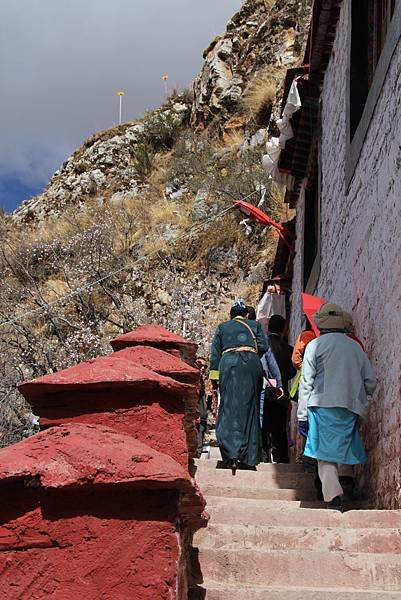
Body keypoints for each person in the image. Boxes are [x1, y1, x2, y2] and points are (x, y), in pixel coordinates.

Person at [298, 303, 377, 511]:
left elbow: (306, 382)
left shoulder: (315, 346)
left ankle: (333, 496)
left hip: (322, 403)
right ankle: (347, 483)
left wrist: (302, 414)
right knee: (343, 445)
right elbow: (370, 381)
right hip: (350, 406)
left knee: (324, 453)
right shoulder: (355, 347)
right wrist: (360, 398)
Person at [209, 300, 269, 473]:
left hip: (228, 365)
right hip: (251, 365)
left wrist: (214, 379)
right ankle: (247, 455)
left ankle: (231, 454)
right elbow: (263, 346)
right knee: (249, 408)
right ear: (246, 314)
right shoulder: (254, 325)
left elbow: (215, 355)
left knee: (228, 407)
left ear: (231, 314)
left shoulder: (222, 327)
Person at [262, 315, 296, 463]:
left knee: (263, 423)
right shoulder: (289, 349)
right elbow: (292, 371)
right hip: (281, 393)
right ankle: (281, 457)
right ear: (284, 329)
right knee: (280, 426)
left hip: (264, 389)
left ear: (268, 328)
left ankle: (263, 455)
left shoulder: (263, 345)